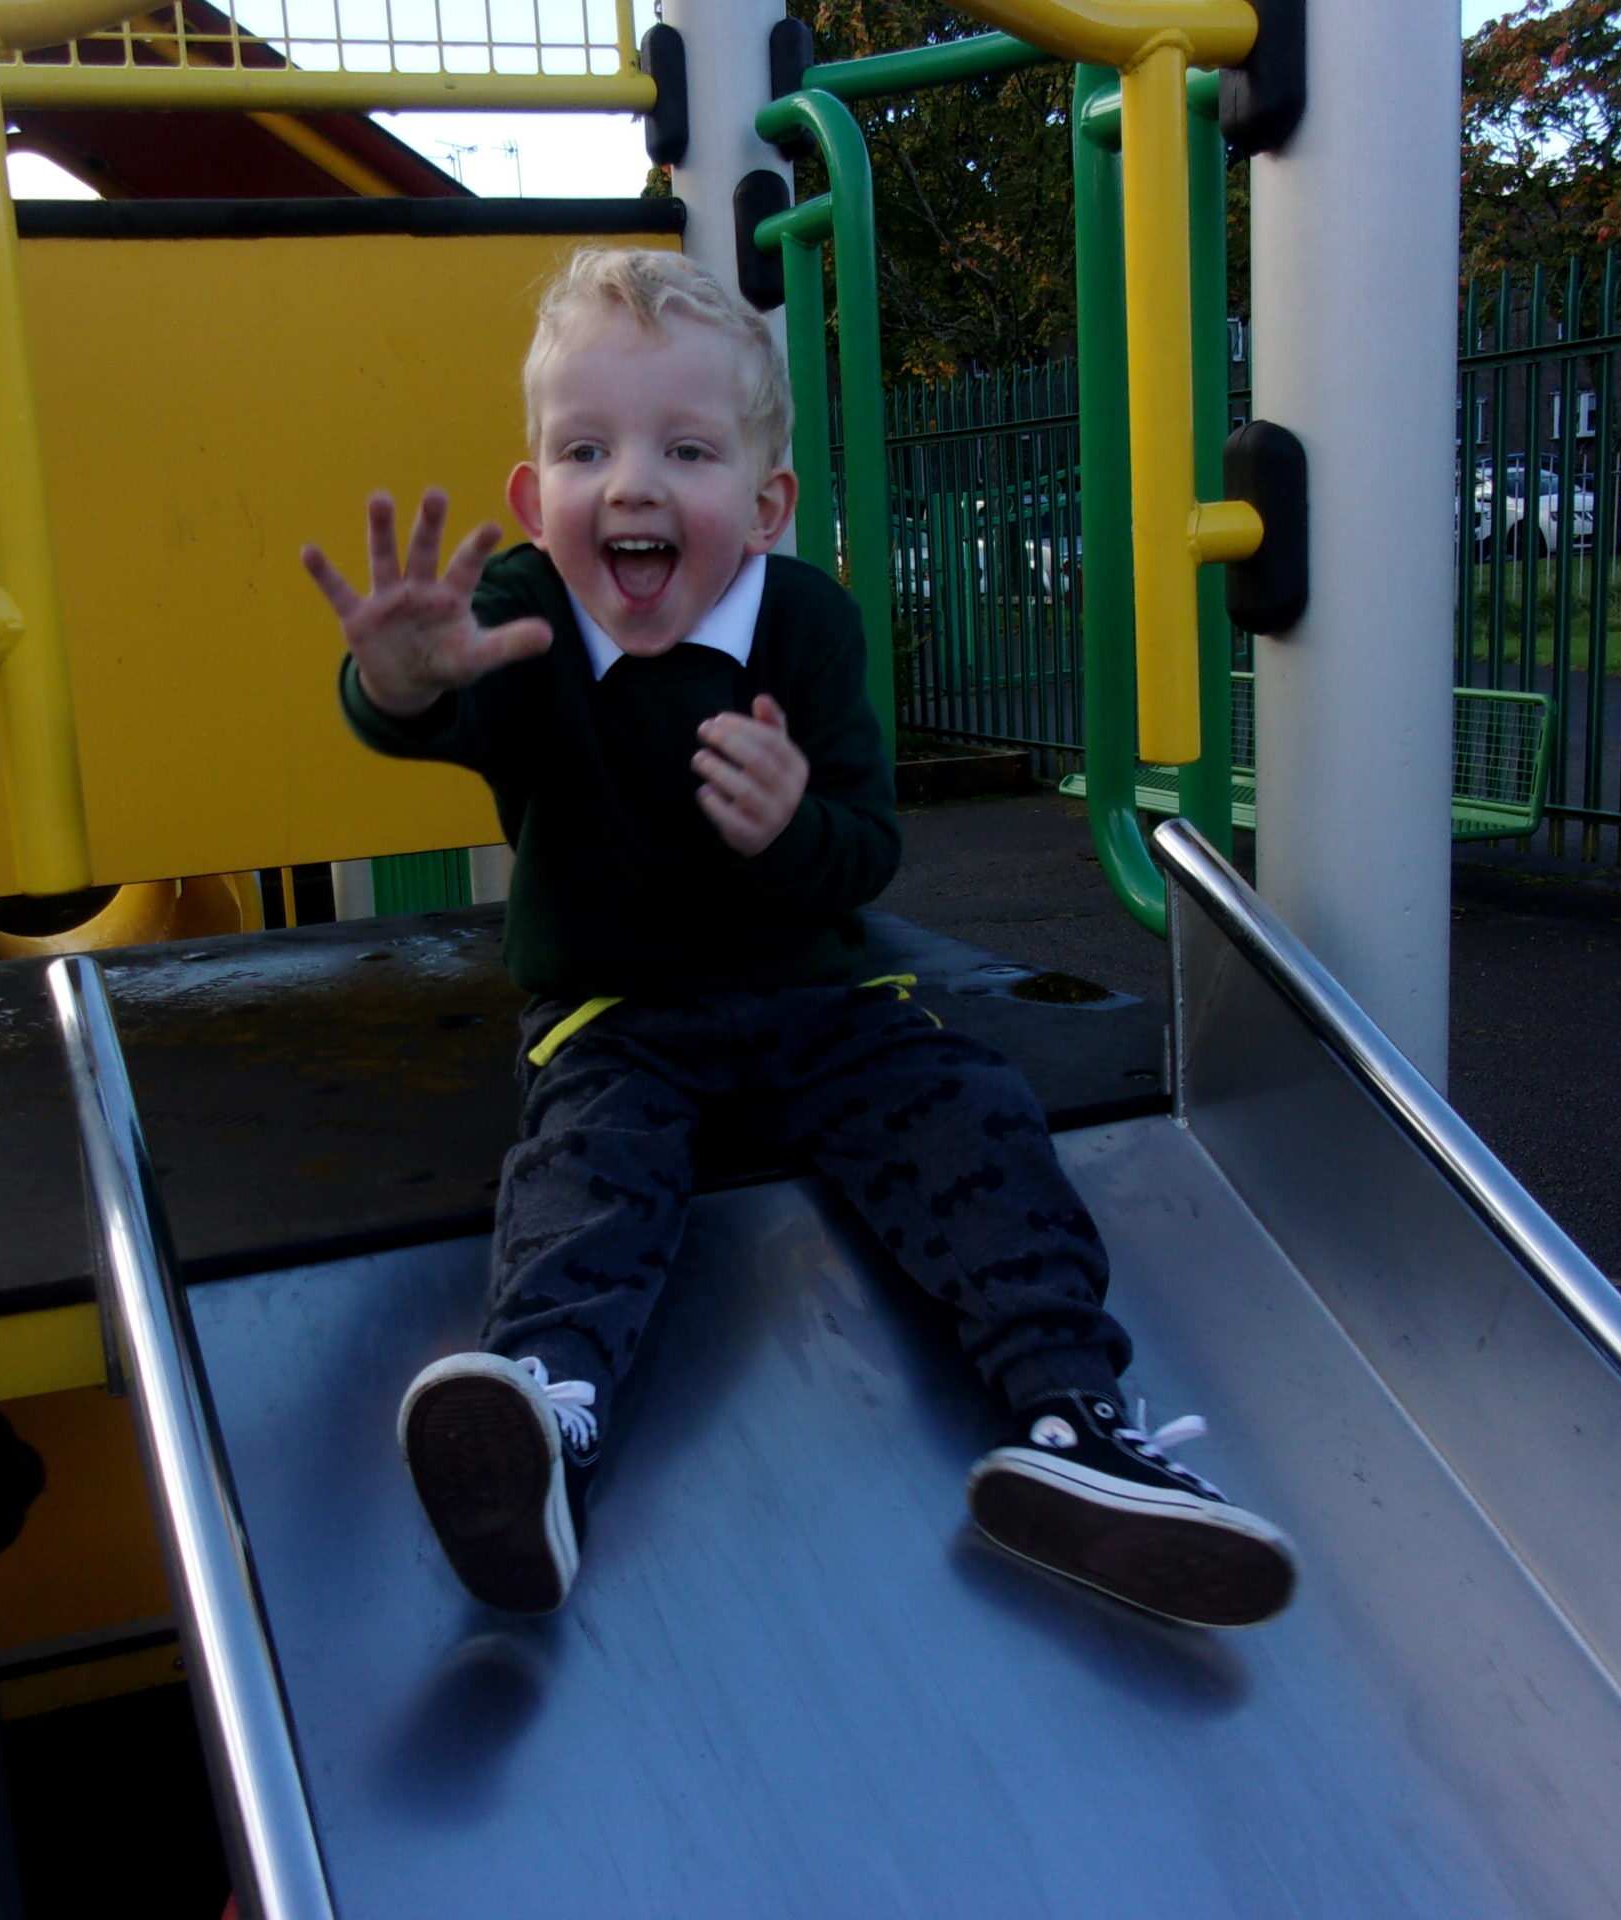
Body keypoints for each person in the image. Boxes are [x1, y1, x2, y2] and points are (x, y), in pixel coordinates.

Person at [301, 247, 1294, 1630]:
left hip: (821, 1002)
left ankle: (1077, 1420)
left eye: (685, 449)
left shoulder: (809, 625)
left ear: (764, 505)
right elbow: (441, 708)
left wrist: (788, 827)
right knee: (589, 1172)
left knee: (969, 1116)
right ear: (533, 500)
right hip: (618, 1014)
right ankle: (544, 1424)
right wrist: (400, 682)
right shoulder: (526, 620)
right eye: (586, 450)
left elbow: (866, 849)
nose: (630, 485)